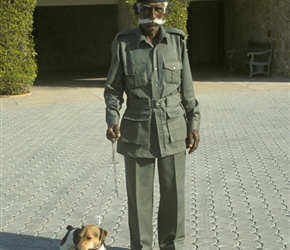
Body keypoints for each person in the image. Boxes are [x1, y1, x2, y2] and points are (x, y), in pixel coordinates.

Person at [104, 0, 200, 249]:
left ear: (165, 11)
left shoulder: (177, 41)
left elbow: (187, 87)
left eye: (158, 8)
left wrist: (193, 122)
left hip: (173, 128)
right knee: (140, 200)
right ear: (137, 11)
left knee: (173, 198)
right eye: (146, 9)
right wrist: (112, 119)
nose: (152, 15)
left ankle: (172, 246)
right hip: (137, 130)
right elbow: (113, 89)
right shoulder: (124, 43)